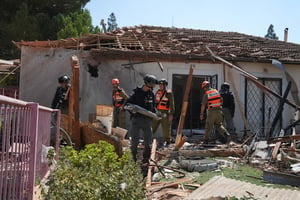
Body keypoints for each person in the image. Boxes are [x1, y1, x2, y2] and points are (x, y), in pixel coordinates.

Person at [126, 74, 157, 167]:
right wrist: (133, 113)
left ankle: (145, 159)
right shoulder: (136, 92)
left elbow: (153, 107)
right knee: (134, 140)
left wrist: (155, 115)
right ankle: (133, 159)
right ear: (148, 83)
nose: (154, 85)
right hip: (136, 120)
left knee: (148, 141)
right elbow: (128, 104)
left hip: (147, 121)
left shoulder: (151, 94)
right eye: (153, 83)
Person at [152, 78, 175, 147]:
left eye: (162, 85)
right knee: (153, 126)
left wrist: (171, 114)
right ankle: (147, 139)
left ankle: (167, 141)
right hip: (158, 112)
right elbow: (154, 101)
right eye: (160, 85)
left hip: (165, 113)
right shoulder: (158, 92)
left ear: (165, 85)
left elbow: (172, 104)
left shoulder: (168, 93)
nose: (161, 86)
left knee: (166, 128)